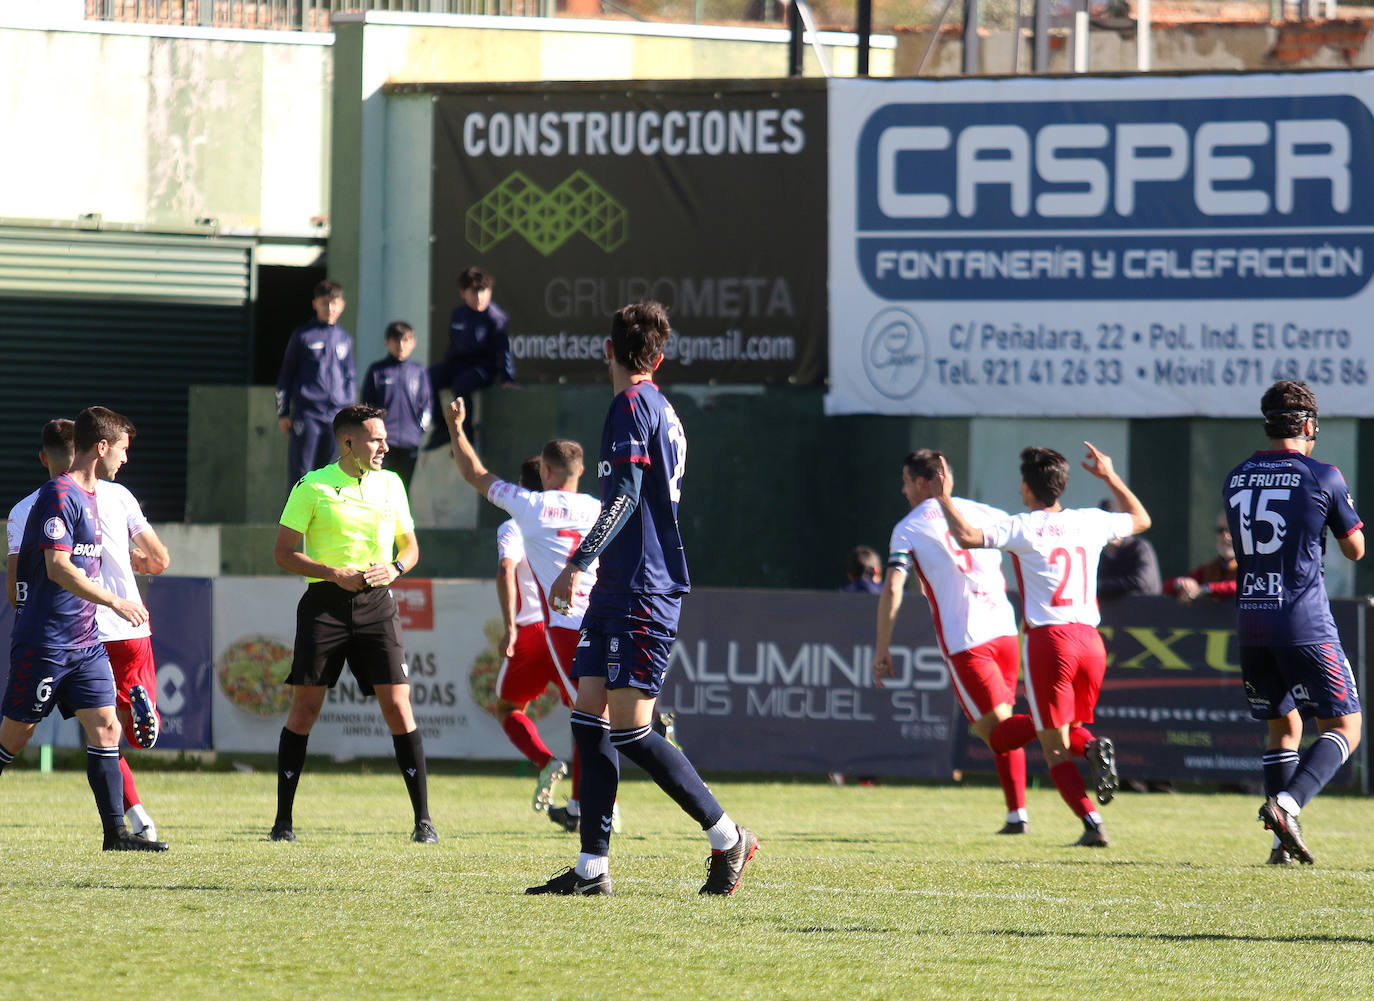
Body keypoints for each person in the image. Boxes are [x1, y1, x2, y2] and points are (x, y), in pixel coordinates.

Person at [527, 300, 757, 897]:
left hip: (643, 586)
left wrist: (578, 560)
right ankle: (591, 870)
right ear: (658, 358)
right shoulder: (660, 406)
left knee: (630, 730)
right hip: (621, 584)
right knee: (587, 718)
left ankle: (729, 837)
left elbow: (625, 497)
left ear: (607, 350)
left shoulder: (631, 406)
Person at [936, 443, 1150, 848]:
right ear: (1062, 485)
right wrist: (1109, 476)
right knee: (1067, 731)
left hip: (1051, 641)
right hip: (1090, 641)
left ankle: (1092, 824)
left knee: (1053, 748)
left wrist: (944, 495)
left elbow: (964, 535)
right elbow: (1141, 519)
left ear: (1026, 487)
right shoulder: (1090, 521)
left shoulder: (1023, 526)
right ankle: (1091, 747)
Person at [0, 407, 166, 851]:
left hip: (86, 641)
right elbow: (57, 568)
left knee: (107, 729)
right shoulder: (58, 495)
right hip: (47, 641)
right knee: (16, 738)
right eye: (123, 450)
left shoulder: (100, 495)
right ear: (101, 447)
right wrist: (115, 599)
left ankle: (116, 834)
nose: (126, 460)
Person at [269, 403, 435, 844]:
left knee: (399, 706)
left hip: (378, 604)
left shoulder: (392, 484)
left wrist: (397, 568)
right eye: (376, 438)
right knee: (304, 710)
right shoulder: (313, 485)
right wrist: (332, 573)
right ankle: (283, 822)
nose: (385, 445)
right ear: (348, 442)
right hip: (324, 605)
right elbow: (283, 553)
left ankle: (424, 821)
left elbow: (411, 545)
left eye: (384, 438)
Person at [1223, 380, 1363, 866]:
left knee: (1284, 728)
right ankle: (1287, 805)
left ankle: (1280, 848)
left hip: (1252, 621)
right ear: (1308, 425)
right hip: (1304, 621)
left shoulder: (1236, 476)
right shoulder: (1322, 474)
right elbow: (1355, 547)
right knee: (1346, 726)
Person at [443, 414, 601, 832]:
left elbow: (476, 475)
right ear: (581, 470)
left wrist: (457, 430)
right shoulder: (599, 508)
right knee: (591, 716)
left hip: (552, 631)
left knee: (583, 720)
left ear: (544, 472)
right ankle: (589, 803)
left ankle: (584, 794)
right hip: (601, 622)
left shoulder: (525, 512)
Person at [873, 449, 1030, 834]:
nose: (903, 488)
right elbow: (1028, 548)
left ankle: (1073, 731)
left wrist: (882, 647)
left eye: (907, 481)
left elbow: (893, 585)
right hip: (1006, 631)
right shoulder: (984, 512)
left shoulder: (908, 527)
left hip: (968, 639)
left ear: (925, 482)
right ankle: (1016, 815)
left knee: (998, 731)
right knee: (1004, 725)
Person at [276, 279, 356, 489]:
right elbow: (286, 375)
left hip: (335, 416)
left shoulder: (344, 339)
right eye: (324, 303)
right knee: (302, 473)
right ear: (315, 304)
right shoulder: (302, 335)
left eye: (334, 302)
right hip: (307, 414)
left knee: (330, 472)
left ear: (342, 305)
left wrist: (350, 413)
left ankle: (322, 521)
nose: (329, 308)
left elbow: (350, 377)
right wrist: (283, 413)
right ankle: (296, 522)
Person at [424, 266, 515, 450]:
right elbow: (454, 346)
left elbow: (503, 349)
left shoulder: (495, 318)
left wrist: (507, 378)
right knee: (426, 377)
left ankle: (465, 437)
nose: (479, 297)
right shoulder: (458, 314)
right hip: (458, 364)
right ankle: (442, 429)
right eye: (473, 292)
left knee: (461, 384)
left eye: (483, 291)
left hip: (482, 369)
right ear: (462, 293)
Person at [361, 320, 433, 489]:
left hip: (410, 443)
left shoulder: (419, 372)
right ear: (387, 342)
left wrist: (418, 431)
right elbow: (367, 407)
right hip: (383, 443)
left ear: (413, 343)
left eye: (406, 340)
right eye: (396, 340)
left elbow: (427, 405)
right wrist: (374, 434)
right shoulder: (377, 371)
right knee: (378, 488)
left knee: (402, 489)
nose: (401, 345)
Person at [1164, 512, 1237, 604]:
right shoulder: (1211, 568)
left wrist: (1206, 589)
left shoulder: (1252, 567)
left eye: (1232, 530)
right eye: (1220, 530)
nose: (1225, 536)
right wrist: (1181, 583)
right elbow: (1167, 587)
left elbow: (1243, 587)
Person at [1096, 497, 1161, 599]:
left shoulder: (1139, 547)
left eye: (1114, 524)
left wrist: (1099, 586)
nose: (1110, 529)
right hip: (1111, 612)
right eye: (1105, 525)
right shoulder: (1098, 551)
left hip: (1145, 609)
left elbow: (1143, 582)